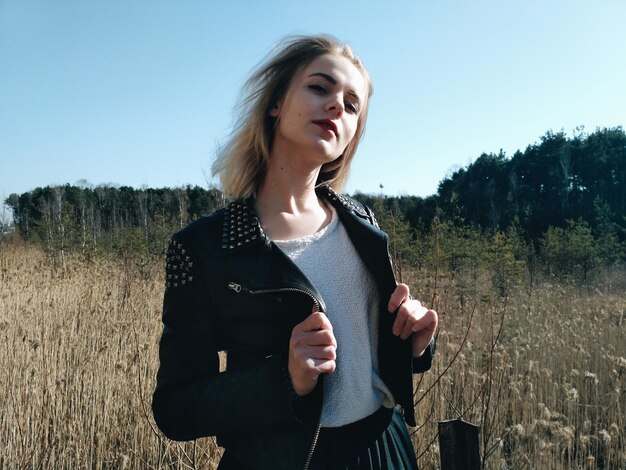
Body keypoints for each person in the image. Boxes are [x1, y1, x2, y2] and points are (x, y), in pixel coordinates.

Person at [152, 34, 438, 470]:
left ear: (350, 137)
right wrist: (285, 381)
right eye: (319, 87)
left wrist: (413, 343)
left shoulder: (363, 222)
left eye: (352, 105)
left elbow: (371, 361)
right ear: (276, 104)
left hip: (384, 451)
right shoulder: (204, 248)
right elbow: (175, 408)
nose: (336, 107)